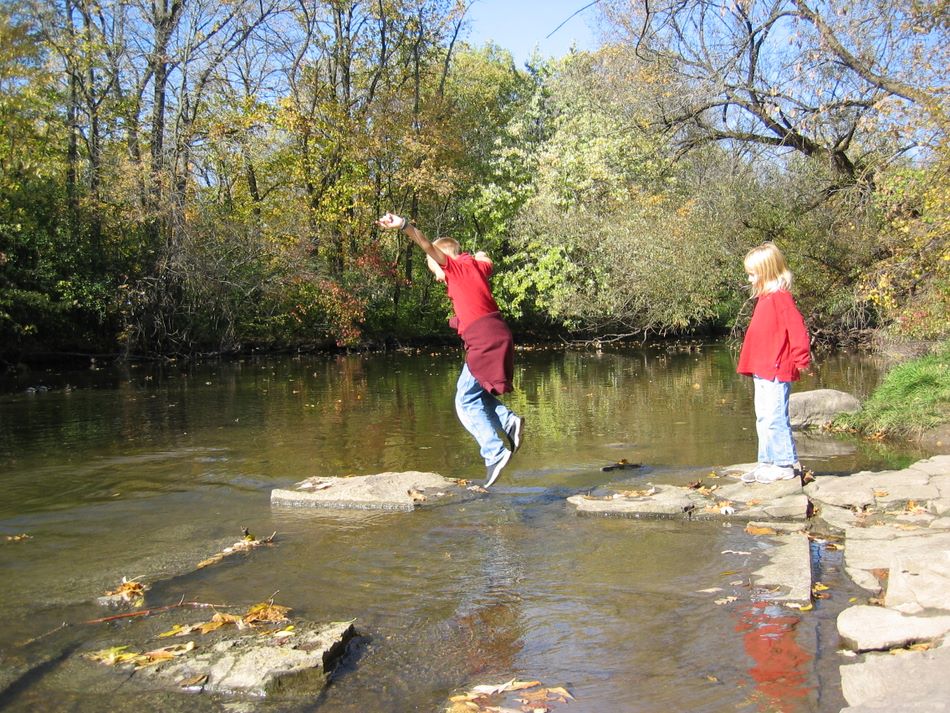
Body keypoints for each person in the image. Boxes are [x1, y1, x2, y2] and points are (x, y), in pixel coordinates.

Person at [376, 212, 524, 487]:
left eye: (432, 267)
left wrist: (404, 225)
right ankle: (509, 421)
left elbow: (425, 244)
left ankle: (495, 453)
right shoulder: (476, 266)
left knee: (464, 401)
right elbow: (486, 261)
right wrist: (482, 255)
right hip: (498, 333)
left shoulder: (455, 268)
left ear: (443, 259)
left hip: (483, 338)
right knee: (476, 394)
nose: (435, 276)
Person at [736, 242, 811, 484]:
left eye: (752, 274)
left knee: (775, 417)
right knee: (763, 417)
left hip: (777, 367)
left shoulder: (780, 297)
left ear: (766, 272)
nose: (750, 279)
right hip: (762, 367)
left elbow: (797, 330)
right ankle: (766, 462)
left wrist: (801, 358)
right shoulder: (765, 298)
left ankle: (784, 464)